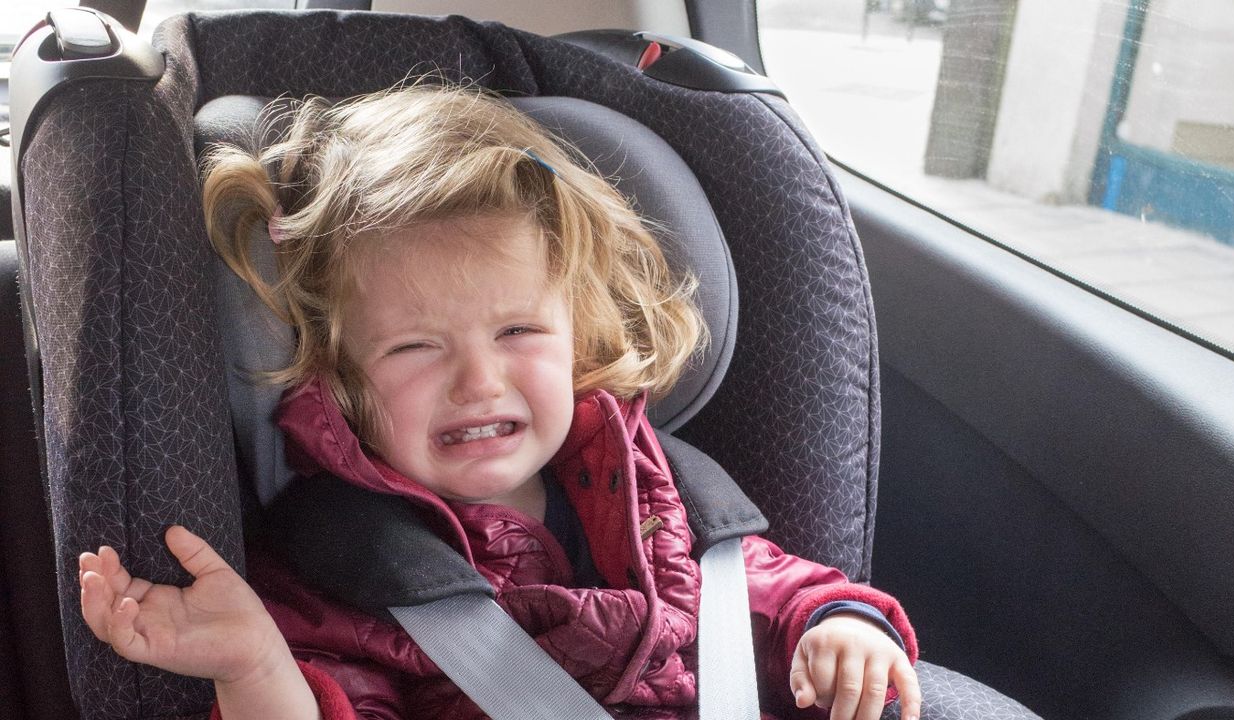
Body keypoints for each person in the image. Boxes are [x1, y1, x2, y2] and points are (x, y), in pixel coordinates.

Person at [77, 84, 921, 720]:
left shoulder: (660, 492)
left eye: (518, 331)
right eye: (415, 347)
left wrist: (836, 623)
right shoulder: (349, 562)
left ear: (579, 332)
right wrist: (255, 665)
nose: (479, 381)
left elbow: (764, 592)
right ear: (336, 374)